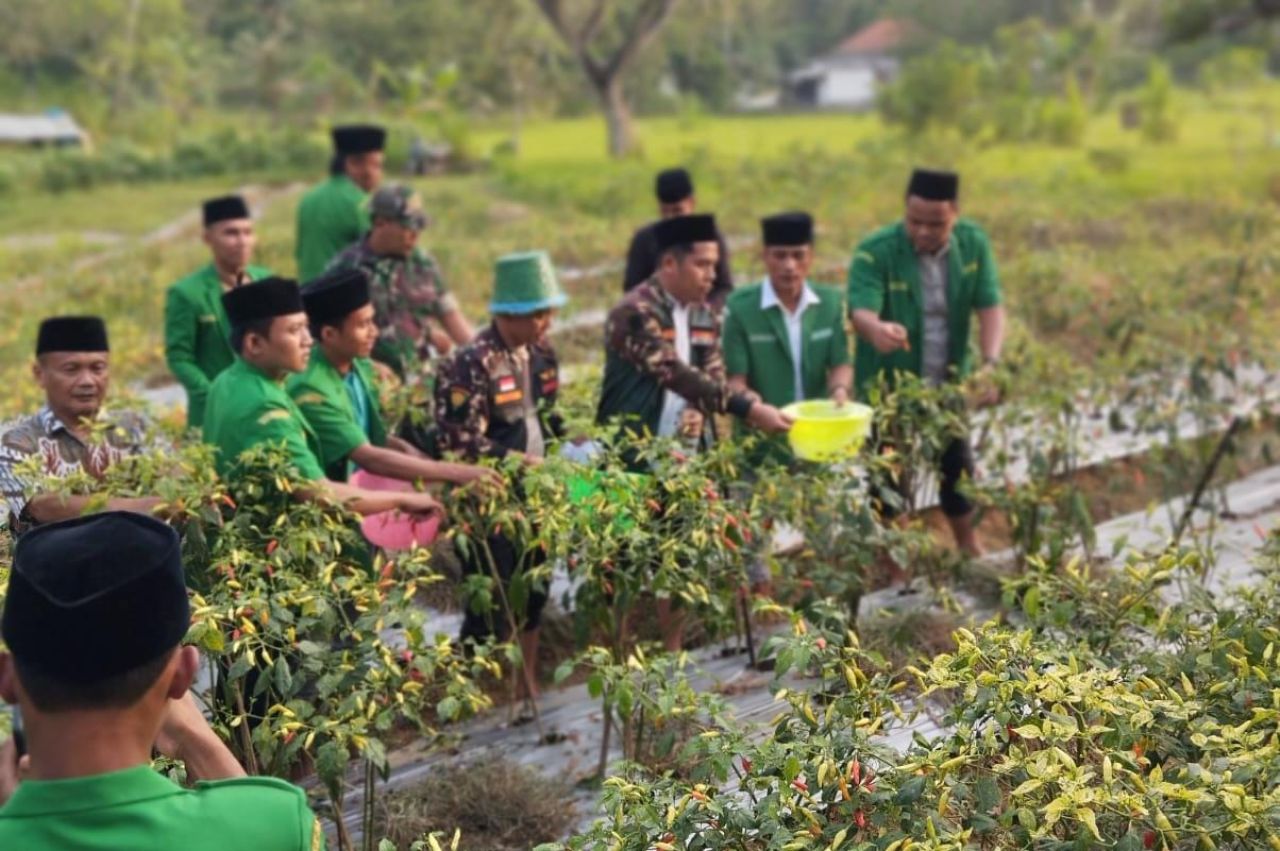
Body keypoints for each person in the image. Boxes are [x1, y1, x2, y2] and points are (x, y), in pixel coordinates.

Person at [0, 511, 325, 849]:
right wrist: (195, 739)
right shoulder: (278, 825)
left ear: (6, 678)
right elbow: (256, 826)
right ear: (183, 675)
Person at [598, 214, 793, 649]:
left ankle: (671, 654)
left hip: (686, 453)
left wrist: (704, 410)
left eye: (714, 265)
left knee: (678, 556)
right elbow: (673, 371)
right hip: (630, 451)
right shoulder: (634, 312)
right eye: (703, 265)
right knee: (619, 557)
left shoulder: (704, 313)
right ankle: (615, 655)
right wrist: (748, 408)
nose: (712, 275)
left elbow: (712, 376)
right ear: (670, 263)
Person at [847, 168, 1005, 556]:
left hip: (948, 381)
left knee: (957, 468)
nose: (923, 231)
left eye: (936, 224)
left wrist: (990, 365)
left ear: (955, 215)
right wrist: (876, 328)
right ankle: (898, 567)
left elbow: (989, 306)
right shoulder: (876, 250)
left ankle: (969, 549)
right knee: (888, 481)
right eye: (914, 221)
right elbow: (860, 311)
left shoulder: (973, 243)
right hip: (890, 387)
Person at [434, 251, 567, 700]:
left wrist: (569, 450)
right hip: (490, 501)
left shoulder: (542, 354)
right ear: (509, 314)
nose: (546, 323)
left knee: (535, 588)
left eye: (549, 312)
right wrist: (518, 461)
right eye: (537, 314)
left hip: (539, 496)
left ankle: (524, 682)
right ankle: (472, 690)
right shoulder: (470, 364)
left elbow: (550, 417)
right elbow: (456, 440)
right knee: (491, 596)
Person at [201, 276, 444, 520]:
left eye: (306, 327)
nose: (308, 340)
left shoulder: (225, 381)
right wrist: (401, 500)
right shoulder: (265, 406)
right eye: (294, 330)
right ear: (254, 343)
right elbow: (318, 493)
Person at [288, 267, 493, 490]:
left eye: (372, 321)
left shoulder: (358, 365)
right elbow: (369, 457)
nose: (374, 332)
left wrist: (405, 449)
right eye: (363, 325)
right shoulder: (311, 388)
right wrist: (455, 472)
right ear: (329, 334)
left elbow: (366, 434)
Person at [0, 317, 159, 535]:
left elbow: (174, 472)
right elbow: (40, 505)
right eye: (71, 369)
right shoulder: (17, 440)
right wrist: (141, 507)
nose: (88, 381)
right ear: (40, 374)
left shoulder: (135, 426)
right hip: (53, 555)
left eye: (97, 368)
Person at [327, 183, 473, 377]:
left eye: (419, 227)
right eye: (408, 228)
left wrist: (478, 354)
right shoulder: (346, 269)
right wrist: (367, 366)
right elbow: (329, 337)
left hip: (423, 378)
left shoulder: (424, 264)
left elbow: (451, 316)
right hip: (372, 381)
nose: (415, 236)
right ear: (381, 223)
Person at [165, 195, 272, 428]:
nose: (242, 241)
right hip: (215, 416)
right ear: (208, 238)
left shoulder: (267, 282)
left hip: (267, 406)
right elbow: (180, 357)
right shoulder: (187, 293)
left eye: (248, 232)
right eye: (231, 233)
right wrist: (213, 394)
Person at [623, 167, 734, 309]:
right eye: (665, 212)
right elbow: (632, 289)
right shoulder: (644, 240)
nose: (671, 219)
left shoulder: (710, 237)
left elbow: (725, 288)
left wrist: (703, 310)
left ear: (692, 203)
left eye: (677, 211)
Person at [295, 124, 386, 281]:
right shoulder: (360, 203)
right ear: (354, 164)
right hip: (341, 292)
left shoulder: (308, 199)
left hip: (306, 290)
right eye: (378, 165)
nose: (379, 174)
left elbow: (300, 253)